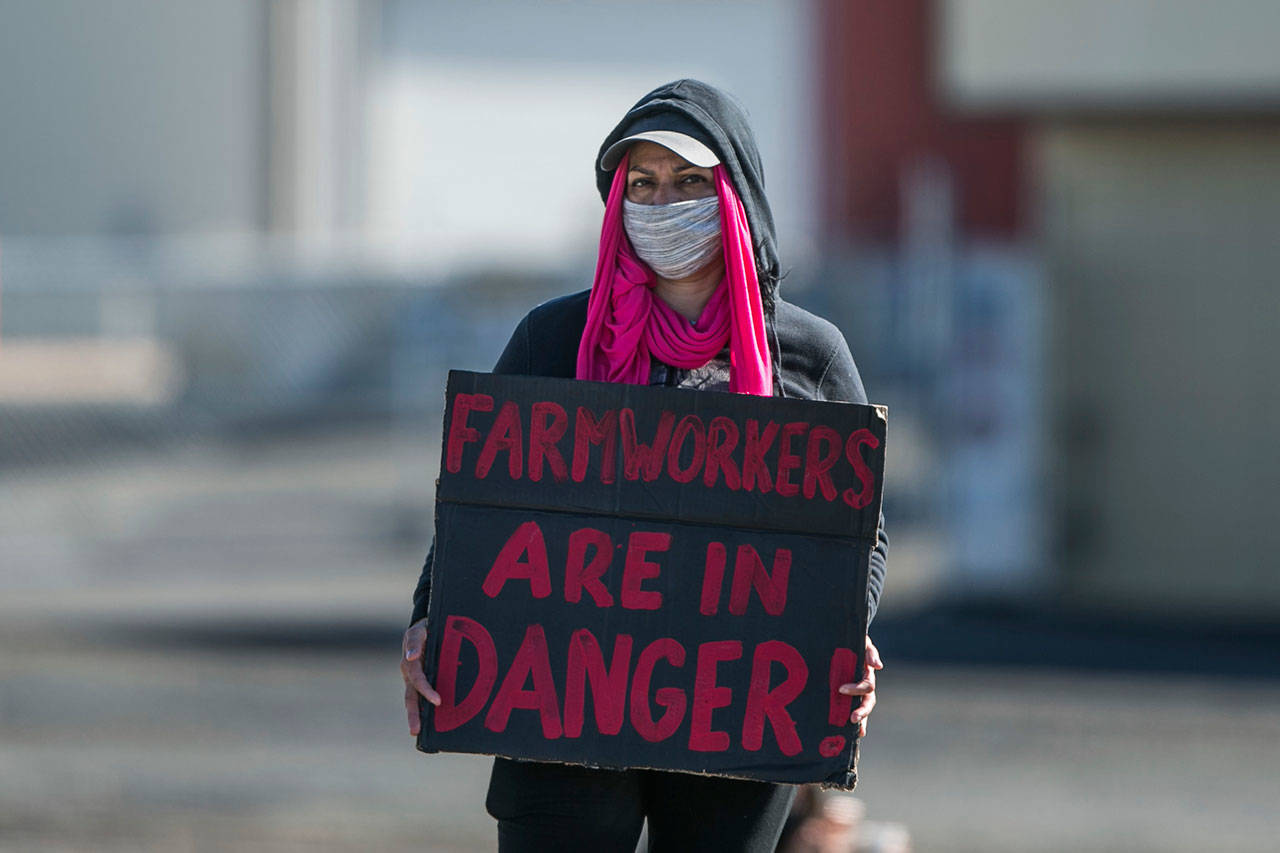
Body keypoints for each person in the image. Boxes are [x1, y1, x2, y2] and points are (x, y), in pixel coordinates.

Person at [401, 79, 888, 852]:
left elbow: (856, 529)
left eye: (690, 181)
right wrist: (433, 616)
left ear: (736, 195)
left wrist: (844, 630)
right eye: (643, 184)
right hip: (560, 705)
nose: (664, 205)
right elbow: (477, 502)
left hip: (734, 710)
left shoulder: (810, 355)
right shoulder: (551, 341)